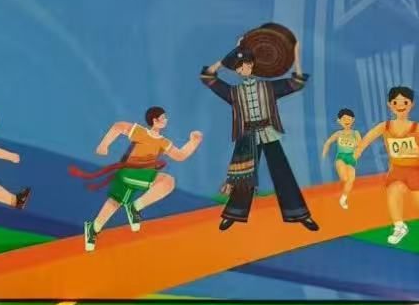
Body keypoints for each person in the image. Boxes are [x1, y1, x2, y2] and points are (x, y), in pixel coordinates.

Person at [200, 42, 319, 232]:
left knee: (282, 172)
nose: (241, 70)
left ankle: (300, 214)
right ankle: (234, 214)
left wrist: (296, 54)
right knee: (243, 176)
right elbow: (207, 77)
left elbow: (296, 83)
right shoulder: (233, 92)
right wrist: (225, 60)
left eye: (243, 65)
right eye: (237, 68)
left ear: (251, 64)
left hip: (268, 132)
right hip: (246, 136)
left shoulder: (269, 87)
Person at [73, 108, 204, 250]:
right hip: (130, 172)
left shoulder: (163, 142)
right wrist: (103, 145)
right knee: (167, 182)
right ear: (155, 120)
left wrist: (194, 142)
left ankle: (93, 229)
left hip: (137, 176)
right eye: (163, 117)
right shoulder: (140, 132)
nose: (166, 120)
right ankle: (134, 208)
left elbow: (180, 155)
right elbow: (119, 126)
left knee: (115, 202)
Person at [354, 87, 419, 246]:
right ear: (389, 105)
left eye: (405, 102)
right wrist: (358, 151)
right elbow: (368, 138)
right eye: (395, 102)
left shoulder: (416, 127)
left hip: (417, 171)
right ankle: (399, 226)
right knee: (393, 190)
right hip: (398, 170)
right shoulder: (385, 126)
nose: (400, 106)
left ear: (411, 104)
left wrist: (412, 150)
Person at [318, 109, 362, 209]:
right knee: (344, 178)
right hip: (341, 157)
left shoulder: (355, 133)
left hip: (351, 158)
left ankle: (343, 198)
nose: (346, 121)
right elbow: (328, 142)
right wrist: (324, 154)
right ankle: (341, 194)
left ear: (353, 120)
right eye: (344, 119)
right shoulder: (338, 133)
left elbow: (360, 145)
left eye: (349, 119)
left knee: (351, 180)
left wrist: (357, 154)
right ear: (339, 121)